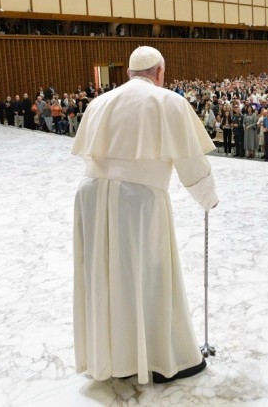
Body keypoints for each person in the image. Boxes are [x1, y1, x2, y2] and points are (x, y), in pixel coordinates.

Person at [71, 46, 218, 385]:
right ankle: (160, 359)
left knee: (103, 275)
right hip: (137, 199)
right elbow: (191, 163)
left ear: (129, 74)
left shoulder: (99, 102)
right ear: (160, 71)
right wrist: (207, 198)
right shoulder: (168, 101)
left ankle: (109, 358)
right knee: (150, 274)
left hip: (90, 195)